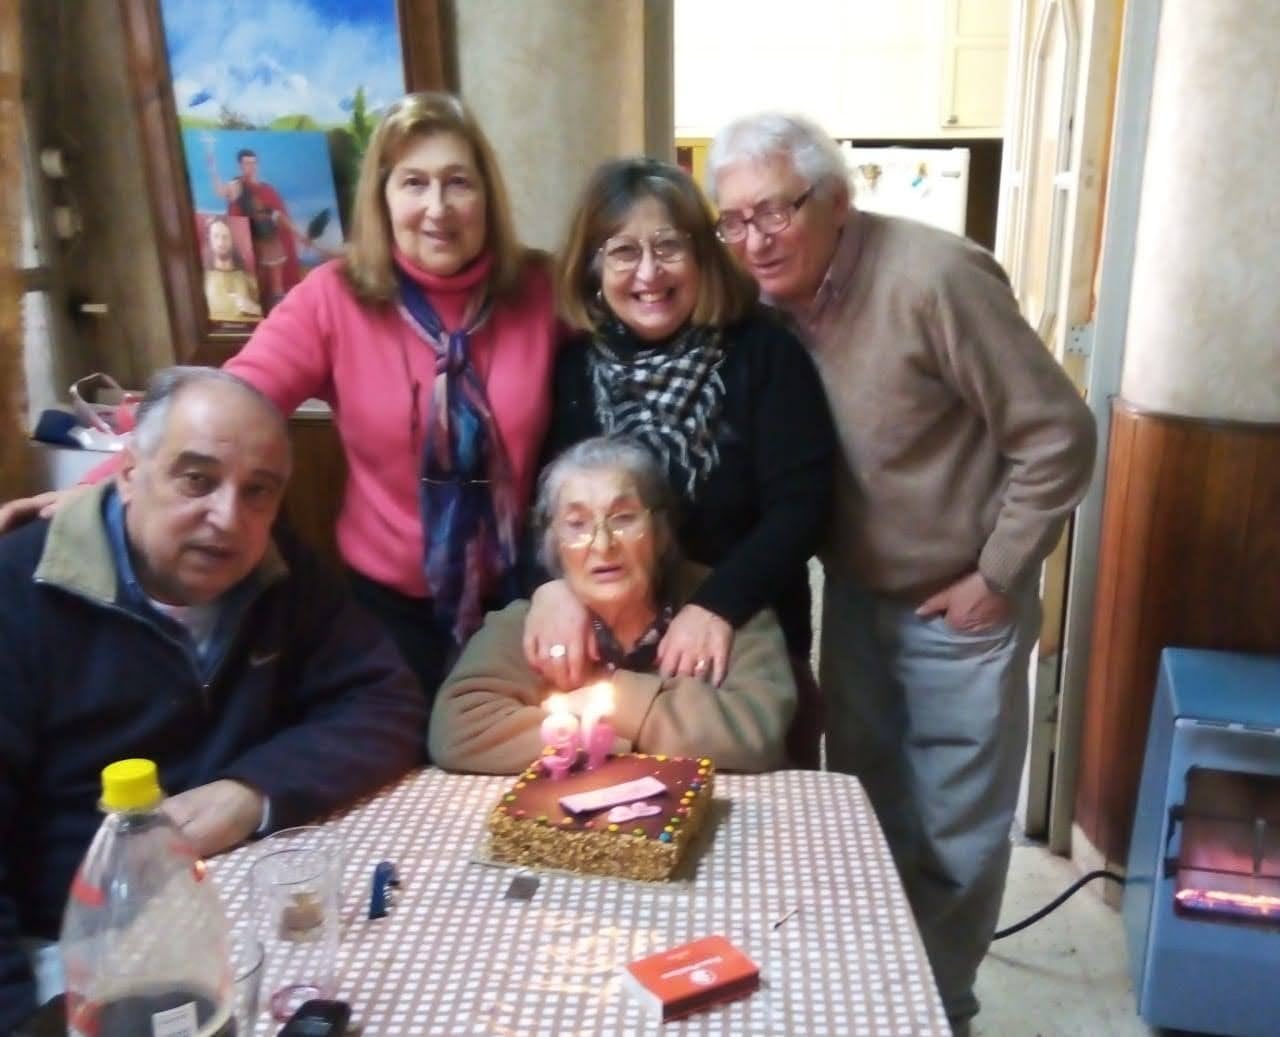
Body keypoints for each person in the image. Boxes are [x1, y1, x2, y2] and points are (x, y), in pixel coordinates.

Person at [708, 112, 1098, 1033]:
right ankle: (879, 1002)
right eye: (734, 220)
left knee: (953, 839)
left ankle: (941, 1012)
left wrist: (997, 574)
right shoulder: (763, 310)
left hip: (961, 601)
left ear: (836, 200)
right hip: (851, 596)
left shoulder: (934, 277)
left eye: (776, 211)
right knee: (868, 826)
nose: (754, 239)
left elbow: (1059, 436)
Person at [1, 92, 562, 714]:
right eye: (414, 183)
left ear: (487, 195)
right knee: (400, 769)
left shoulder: (539, 290)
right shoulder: (334, 298)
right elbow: (228, 399)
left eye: (458, 182)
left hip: (523, 598)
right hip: (387, 609)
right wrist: (102, 486)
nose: (437, 207)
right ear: (382, 197)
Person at [0, 367, 427, 1032]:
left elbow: (389, 699)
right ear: (128, 472)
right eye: (196, 479)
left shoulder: (280, 570)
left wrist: (249, 793)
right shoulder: (18, 591)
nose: (228, 518)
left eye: (259, 493)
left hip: (242, 917)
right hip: (72, 949)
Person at [524, 157, 834, 766]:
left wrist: (715, 604)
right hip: (610, 657)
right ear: (592, 267)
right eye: (621, 252)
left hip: (745, 645)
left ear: (703, 257)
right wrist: (550, 586)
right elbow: (546, 506)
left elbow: (804, 507)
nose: (647, 273)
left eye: (668, 247)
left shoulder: (764, 354)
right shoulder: (572, 370)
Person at [431, 437, 796, 773]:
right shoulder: (533, 622)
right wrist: (614, 737)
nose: (603, 545)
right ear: (552, 541)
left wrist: (608, 703)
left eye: (624, 518)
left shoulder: (723, 609)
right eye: (577, 524)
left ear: (661, 529)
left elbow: (758, 734)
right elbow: (458, 732)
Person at [208, 146, 307, 308]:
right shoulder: (236, 185)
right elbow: (221, 191)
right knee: (253, 280)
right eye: (247, 163)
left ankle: (279, 311)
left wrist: (298, 234)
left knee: (276, 284)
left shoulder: (267, 190)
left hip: (268, 238)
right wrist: (212, 168)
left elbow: (278, 216)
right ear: (240, 165)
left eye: (253, 163)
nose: (251, 166)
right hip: (250, 241)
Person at [202, 214, 263, 322]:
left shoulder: (247, 279)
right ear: (209, 239)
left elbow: (273, 314)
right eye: (216, 236)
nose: (221, 243)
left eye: (225, 237)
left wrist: (254, 309)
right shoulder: (201, 279)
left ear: (232, 240)